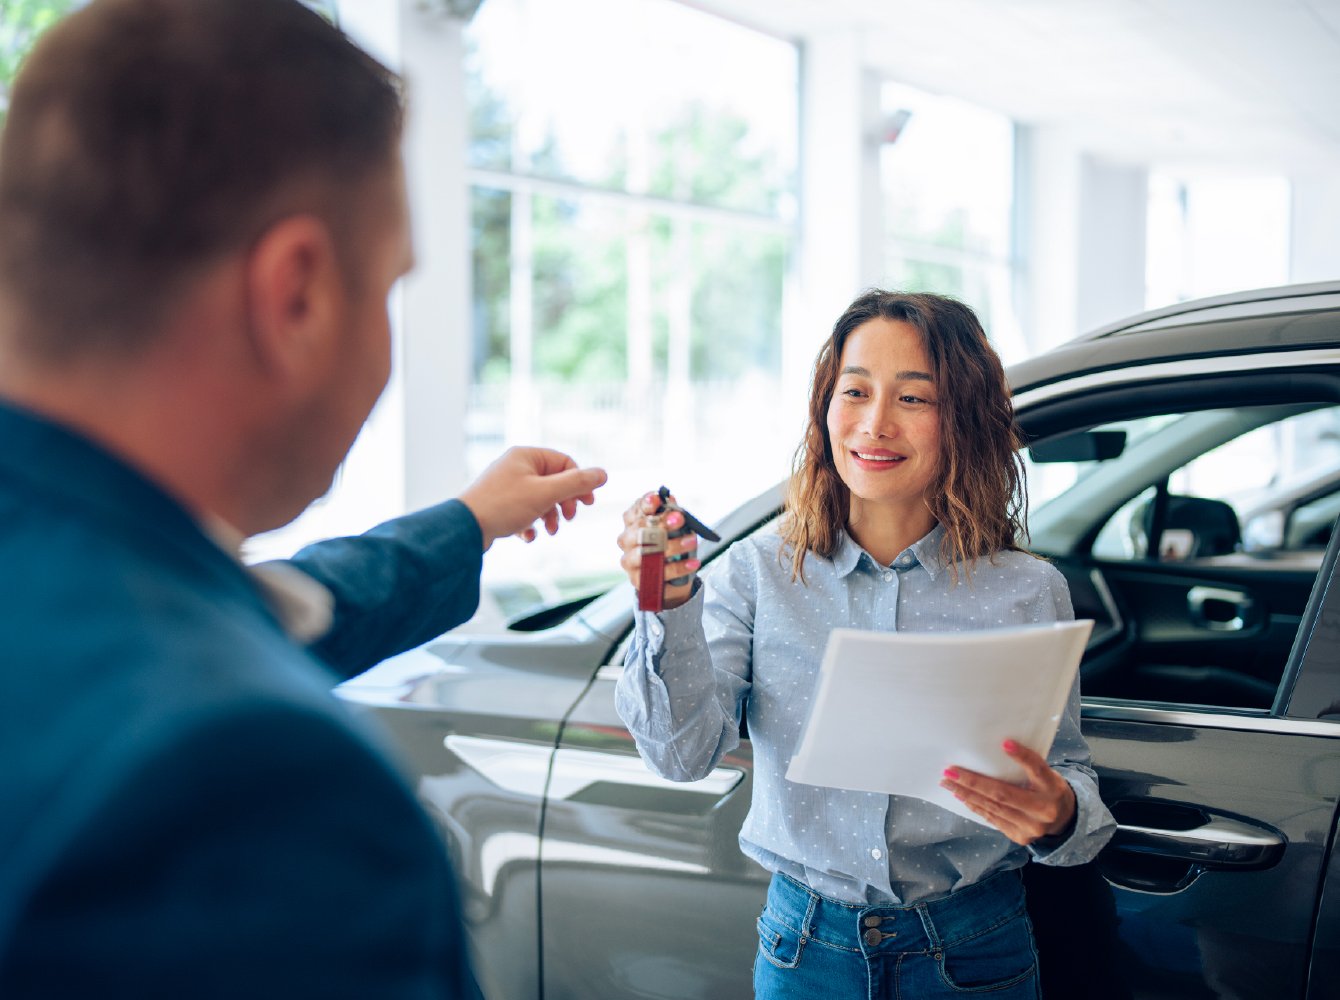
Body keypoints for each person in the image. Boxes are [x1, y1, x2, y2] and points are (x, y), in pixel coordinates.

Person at [0, 1, 605, 996]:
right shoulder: (252, 785)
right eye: (386, 286)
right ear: (297, 296)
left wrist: (465, 523)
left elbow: (248, 605)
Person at [615, 291, 1117, 1000]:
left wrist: (1060, 813)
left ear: (964, 419)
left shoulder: (1028, 592)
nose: (875, 424)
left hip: (974, 952)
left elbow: (1072, 786)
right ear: (826, 407)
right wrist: (663, 608)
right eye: (855, 391)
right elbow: (680, 754)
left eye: (914, 398)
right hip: (804, 952)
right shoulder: (758, 573)